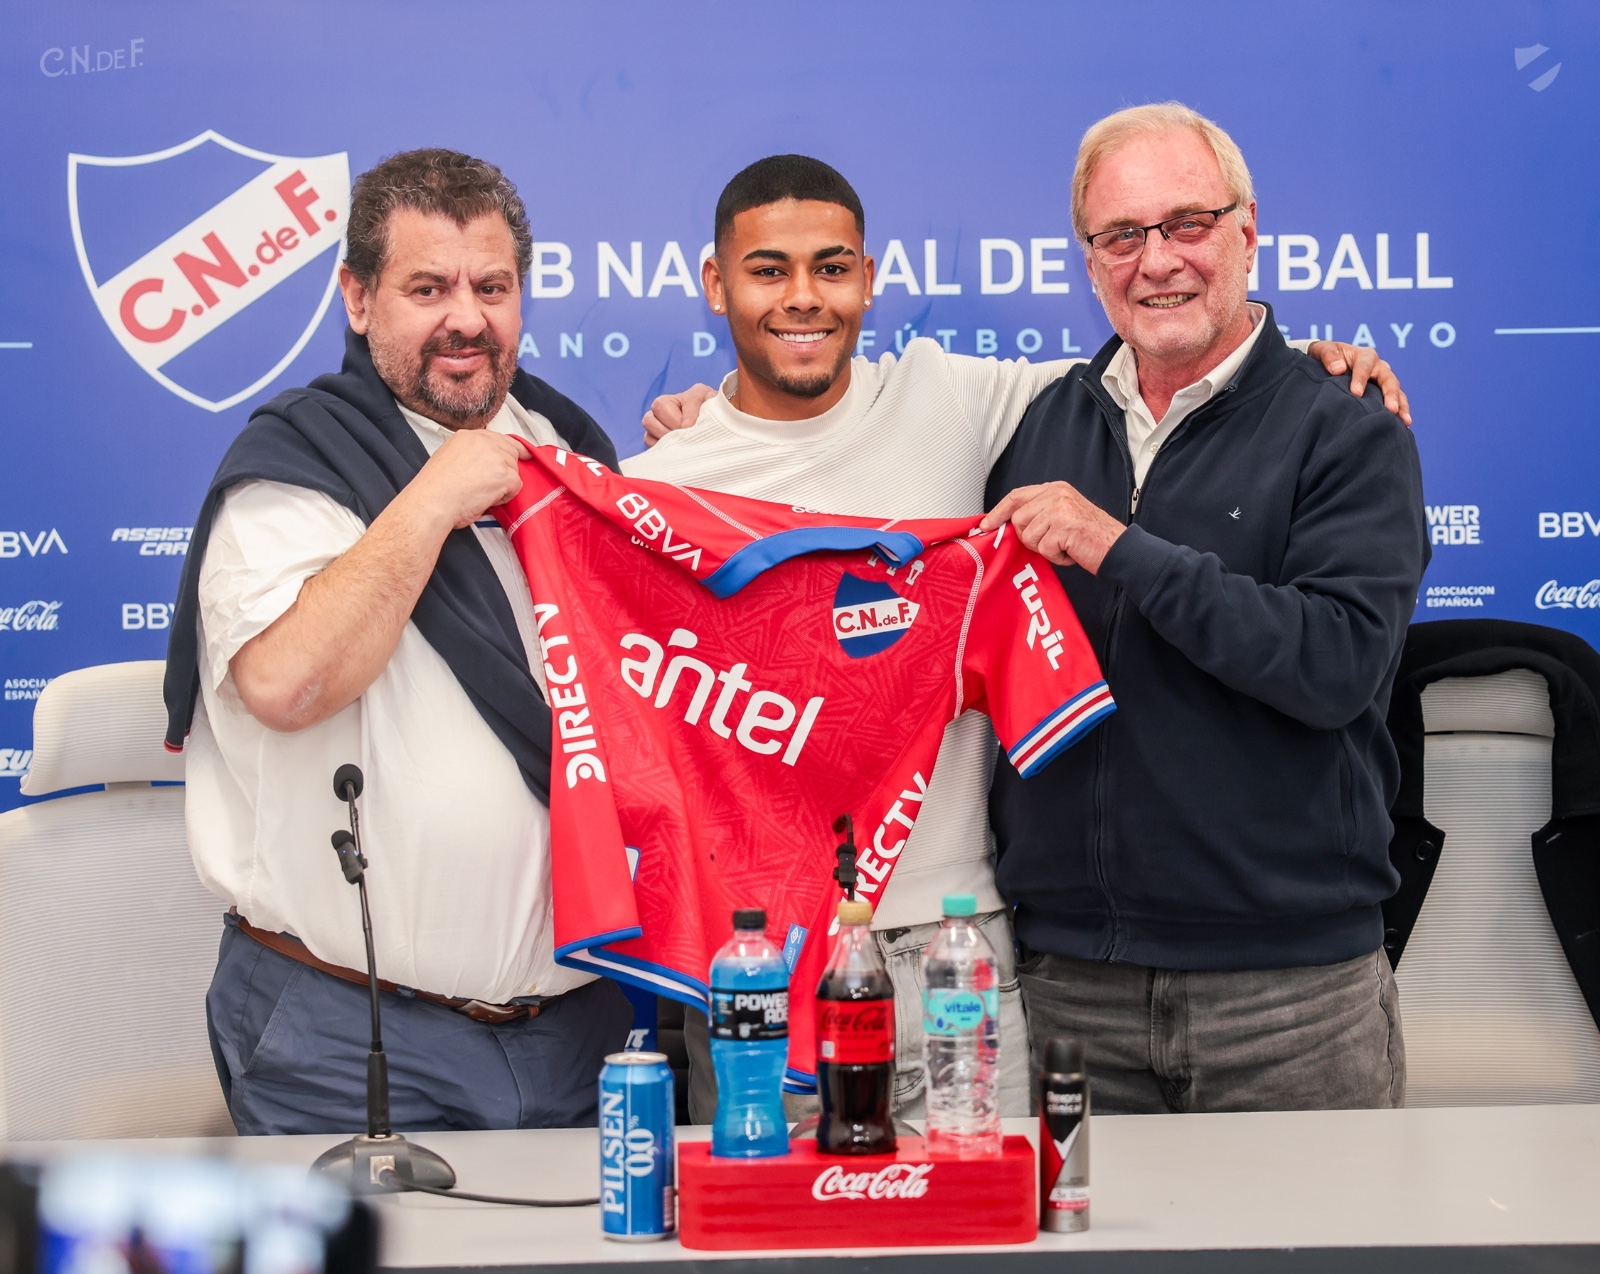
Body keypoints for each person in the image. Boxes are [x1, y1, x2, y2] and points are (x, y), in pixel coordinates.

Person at [632, 154, 1409, 1123]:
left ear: (869, 279)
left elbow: (1181, 352)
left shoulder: (962, 401)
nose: (801, 297)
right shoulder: (654, 486)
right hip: (782, 958)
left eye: (830, 268)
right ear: (715, 284)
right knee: (785, 1217)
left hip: (976, 950)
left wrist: (1304, 362)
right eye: (767, 270)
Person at [163, 149, 633, 1136]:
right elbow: (287, 683)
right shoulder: (294, 466)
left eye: (491, 287)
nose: (466, 318)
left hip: (580, 1031)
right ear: (357, 297)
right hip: (348, 1035)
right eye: (428, 289)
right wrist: (431, 499)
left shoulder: (573, 450)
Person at [982, 103, 1427, 1113]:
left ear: (1247, 230)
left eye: (1187, 223)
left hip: (1292, 999)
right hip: (1069, 987)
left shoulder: (1346, 426)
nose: (1157, 261)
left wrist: (1119, 548)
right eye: (1120, 235)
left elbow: (1334, 666)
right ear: (1088, 259)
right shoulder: (1035, 420)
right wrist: (715, 415)